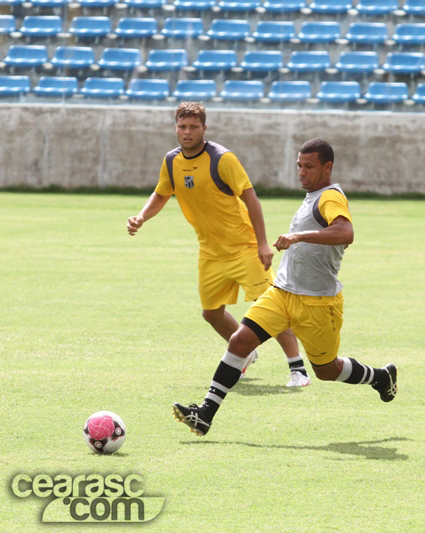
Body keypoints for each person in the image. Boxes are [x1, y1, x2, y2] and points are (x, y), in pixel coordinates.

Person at [172, 138, 397, 436]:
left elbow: (346, 232)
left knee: (326, 371)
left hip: (317, 304)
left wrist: (298, 236)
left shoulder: (330, 197)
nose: (301, 172)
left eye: (309, 166)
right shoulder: (312, 195)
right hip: (281, 293)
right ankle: (205, 414)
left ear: (327, 167)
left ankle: (381, 378)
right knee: (240, 341)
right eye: (299, 166)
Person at [127, 102, 311, 388]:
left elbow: (251, 199)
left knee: (272, 308)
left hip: (244, 248)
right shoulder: (171, 161)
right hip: (210, 252)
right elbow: (162, 193)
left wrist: (262, 244)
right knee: (211, 313)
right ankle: (245, 351)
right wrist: (141, 217)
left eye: (194, 127)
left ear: (204, 129)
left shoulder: (222, 159)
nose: (187, 132)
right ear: (176, 128)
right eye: (182, 126)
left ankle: (297, 368)